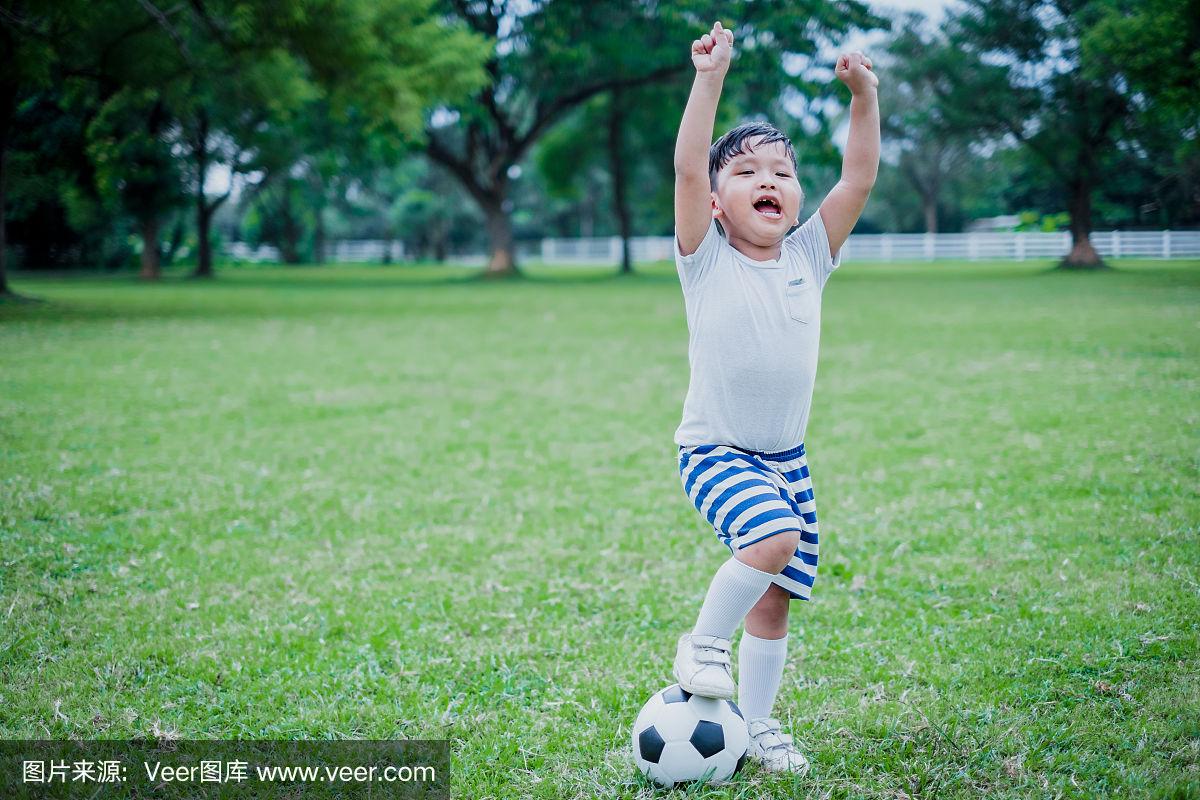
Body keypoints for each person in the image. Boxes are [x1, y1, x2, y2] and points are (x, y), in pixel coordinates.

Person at [669, 19, 879, 774]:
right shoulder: (706, 257)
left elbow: (856, 179)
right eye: (748, 172)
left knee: (775, 596)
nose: (769, 181)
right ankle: (700, 647)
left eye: (782, 172)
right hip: (716, 449)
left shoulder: (809, 254)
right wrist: (710, 77)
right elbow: (690, 169)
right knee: (771, 542)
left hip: (787, 457)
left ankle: (755, 726)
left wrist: (864, 95)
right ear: (719, 205)